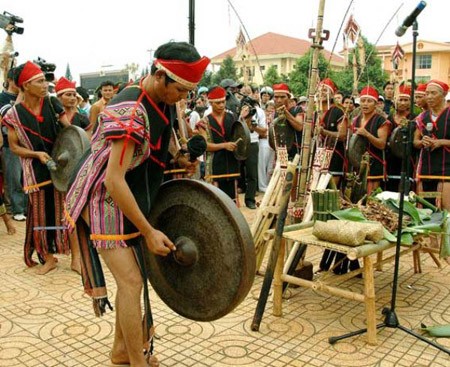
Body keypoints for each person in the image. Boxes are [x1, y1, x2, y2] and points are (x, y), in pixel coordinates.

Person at [65, 41, 209, 367]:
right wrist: (148, 231)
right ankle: (134, 362)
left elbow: (166, 136)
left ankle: (120, 351)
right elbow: (113, 180)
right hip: (103, 195)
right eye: (181, 90)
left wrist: (180, 157)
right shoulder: (130, 110)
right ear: (160, 76)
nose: (183, 97)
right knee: (130, 281)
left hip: (130, 191)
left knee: (136, 279)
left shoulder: (164, 100)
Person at [3, 61, 71, 274]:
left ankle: (76, 257)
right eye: (40, 81)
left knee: (66, 212)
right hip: (35, 170)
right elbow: (14, 147)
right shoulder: (13, 115)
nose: (45, 85)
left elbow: (70, 132)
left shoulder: (52, 104)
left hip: (61, 166)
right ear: (25, 85)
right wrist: (36, 154)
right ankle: (47, 257)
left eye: (45, 81)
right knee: (41, 215)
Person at [413, 80, 450, 210]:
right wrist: (422, 142)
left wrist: (441, 142)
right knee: (424, 208)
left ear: (444, 94)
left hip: (447, 167)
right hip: (426, 168)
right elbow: (415, 142)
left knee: (446, 208)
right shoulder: (422, 117)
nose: (429, 97)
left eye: (433, 93)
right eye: (427, 93)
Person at [351, 85, 391, 194]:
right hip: (357, 165)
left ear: (376, 104)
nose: (365, 104)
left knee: (370, 199)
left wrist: (367, 134)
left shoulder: (381, 121)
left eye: (369, 101)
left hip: (374, 164)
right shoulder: (355, 120)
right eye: (363, 101)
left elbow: (382, 144)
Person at [0, 67, 27, 222]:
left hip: (27, 145)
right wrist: (22, 95)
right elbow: (10, 117)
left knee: (27, 177)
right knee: (14, 178)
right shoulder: (2, 98)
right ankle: (16, 209)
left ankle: (27, 208)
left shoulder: (29, 97)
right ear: (10, 80)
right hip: (11, 145)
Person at [203, 86, 240, 201]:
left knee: (232, 202)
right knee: (217, 202)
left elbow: (241, 136)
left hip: (232, 163)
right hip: (215, 166)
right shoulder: (204, 121)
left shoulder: (233, 118)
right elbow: (205, 146)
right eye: (218, 103)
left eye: (223, 102)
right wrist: (224, 145)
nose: (221, 105)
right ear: (211, 103)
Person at [317, 78, 348, 187]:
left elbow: (342, 135)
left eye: (326, 90)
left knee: (331, 189)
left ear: (332, 94)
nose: (322, 92)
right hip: (318, 154)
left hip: (334, 154)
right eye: (320, 90)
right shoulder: (315, 112)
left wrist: (323, 131)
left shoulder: (337, 111)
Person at [385, 84, 416, 192]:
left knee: (405, 188)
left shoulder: (414, 118)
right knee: (390, 187)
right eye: (400, 99)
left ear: (410, 102)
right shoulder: (389, 118)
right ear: (395, 101)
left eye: (406, 100)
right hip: (390, 159)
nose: (402, 103)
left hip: (407, 159)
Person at [272, 83, 304, 159]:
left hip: (296, 153)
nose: (279, 100)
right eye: (276, 97)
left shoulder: (297, 110)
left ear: (289, 98)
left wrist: (286, 113)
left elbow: (299, 127)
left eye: (282, 97)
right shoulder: (276, 113)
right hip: (281, 153)